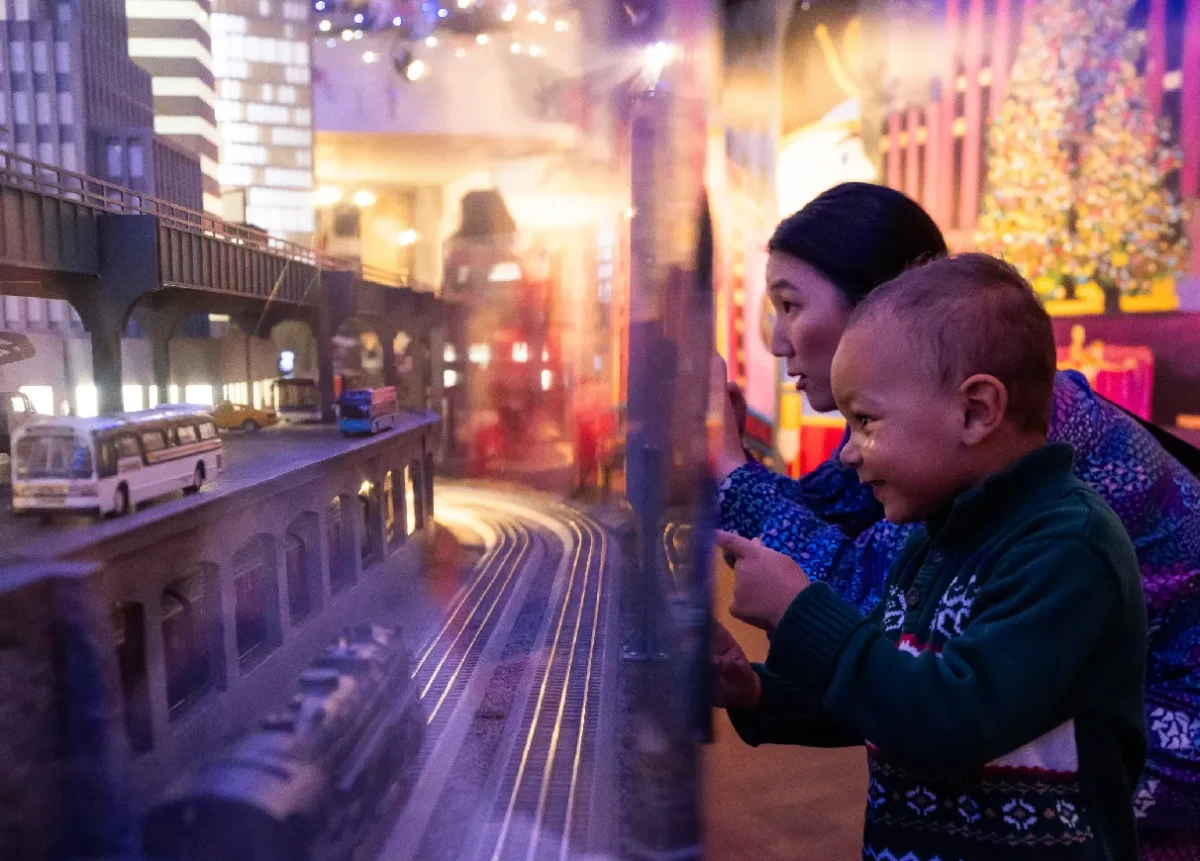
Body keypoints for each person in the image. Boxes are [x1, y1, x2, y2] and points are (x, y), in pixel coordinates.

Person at [711, 182, 1200, 858]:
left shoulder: (1058, 531)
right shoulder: (945, 509)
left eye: (790, 303)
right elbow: (892, 660)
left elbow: (931, 694)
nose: (774, 339)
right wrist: (757, 690)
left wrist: (731, 479)